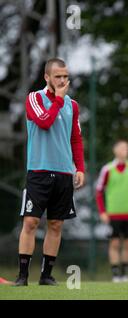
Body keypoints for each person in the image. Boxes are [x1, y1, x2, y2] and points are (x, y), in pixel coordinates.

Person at [15, 58, 85, 286]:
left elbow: (75, 139)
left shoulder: (72, 105)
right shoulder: (34, 98)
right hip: (39, 171)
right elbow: (45, 122)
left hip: (64, 173)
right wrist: (57, 100)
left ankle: (46, 276)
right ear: (47, 77)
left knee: (56, 225)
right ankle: (23, 276)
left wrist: (80, 168)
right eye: (58, 76)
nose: (63, 80)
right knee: (31, 222)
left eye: (66, 76)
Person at [96, 140, 128, 282]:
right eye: (122, 148)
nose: (125, 150)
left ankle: (124, 273)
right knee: (115, 243)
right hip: (113, 214)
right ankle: (115, 274)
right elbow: (99, 191)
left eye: (127, 148)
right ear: (115, 151)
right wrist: (102, 212)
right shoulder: (107, 169)